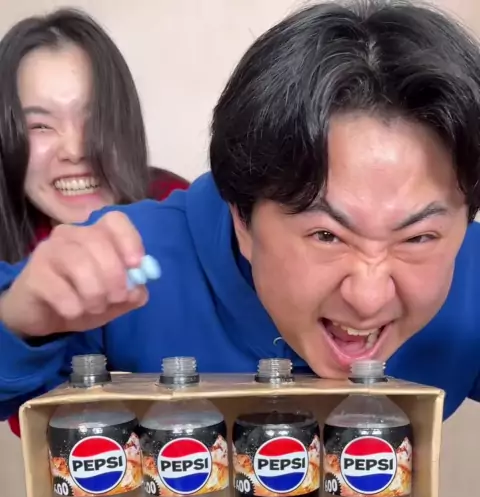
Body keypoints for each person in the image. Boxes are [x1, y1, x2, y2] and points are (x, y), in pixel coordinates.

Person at [0, 0, 479, 421]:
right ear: (242, 219)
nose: (369, 298)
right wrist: (18, 321)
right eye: (327, 235)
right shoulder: (132, 262)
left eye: (418, 238)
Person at [0, 8, 189, 435]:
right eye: (40, 125)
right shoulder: (12, 264)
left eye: (93, 119)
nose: (75, 149)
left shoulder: (178, 211)